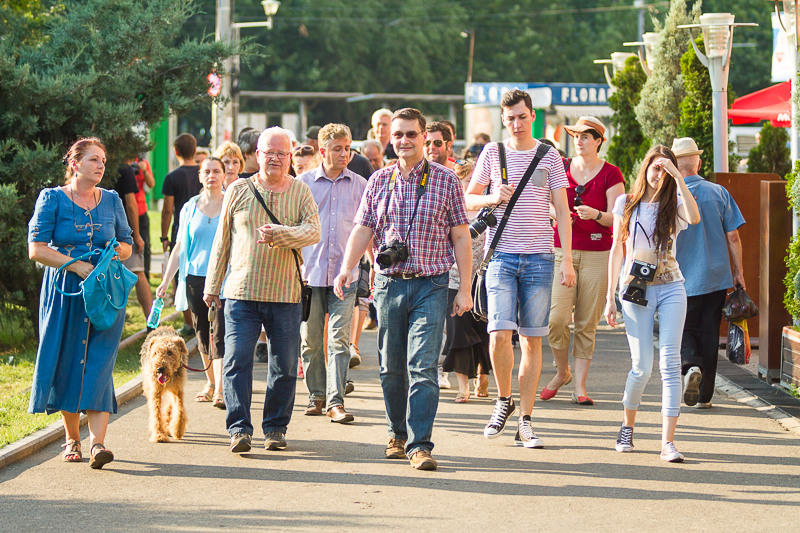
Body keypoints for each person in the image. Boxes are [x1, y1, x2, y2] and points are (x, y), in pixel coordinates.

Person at [334, 107, 472, 471]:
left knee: (422, 366)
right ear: (390, 139)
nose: (404, 140)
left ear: (424, 137)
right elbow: (363, 228)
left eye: (411, 134)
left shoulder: (446, 180)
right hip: (389, 285)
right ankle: (396, 434)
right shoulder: (379, 180)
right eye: (398, 135)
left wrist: (465, 288)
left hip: (431, 284)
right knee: (391, 367)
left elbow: (461, 236)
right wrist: (347, 269)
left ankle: (420, 444)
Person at [465, 89, 576, 448]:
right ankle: (503, 400)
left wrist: (567, 260)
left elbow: (563, 212)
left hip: (540, 258)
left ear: (532, 116)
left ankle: (525, 420)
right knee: (498, 333)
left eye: (522, 116)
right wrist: (492, 196)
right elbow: (467, 199)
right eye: (510, 118)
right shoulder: (492, 152)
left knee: (531, 338)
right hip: (500, 256)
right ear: (503, 119)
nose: (516, 123)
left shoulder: (549, 155)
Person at [204, 127, 320, 454]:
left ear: (290, 156)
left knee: (284, 366)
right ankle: (239, 429)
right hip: (241, 292)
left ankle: (275, 428)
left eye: (282, 153)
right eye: (269, 152)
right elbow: (222, 240)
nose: (275, 158)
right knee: (236, 360)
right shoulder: (238, 189)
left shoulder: (300, 191)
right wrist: (212, 286)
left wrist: (280, 234)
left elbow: (314, 231)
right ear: (258, 155)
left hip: (285, 295)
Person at [27, 137, 133, 469]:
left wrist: (110, 255)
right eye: (93, 160)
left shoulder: (112, 199)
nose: (101, 165)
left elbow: (127, 245)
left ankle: (98, 443)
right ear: (74, 163)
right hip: (65, 291)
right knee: (69, 361)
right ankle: (72, 438)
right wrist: (75, 265)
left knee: (99, 363)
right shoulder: (52, 198)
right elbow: (36, 249)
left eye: (103, 161)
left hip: (104, 292)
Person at [604, 145, 700, 463]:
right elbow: (617, 250)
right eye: (656, 167)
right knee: (642, 367)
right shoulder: (626, 203)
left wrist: (678, 177)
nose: (660, 174)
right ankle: (627, 427)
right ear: (645, 168)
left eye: (666, 169)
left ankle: (667, 442)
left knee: (670, 364)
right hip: (636, 287)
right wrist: (610, 297)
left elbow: (695, 218)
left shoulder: (675, 204)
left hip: (671, 286)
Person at [542, 116, 625, 405]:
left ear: (599, 141)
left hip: (597, 252)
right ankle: (562, 371)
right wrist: (558, 213)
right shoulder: (562, 166)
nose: (579, 141)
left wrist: (597, 215)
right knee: (556, 319)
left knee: (586, 323)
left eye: (585, 136)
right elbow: (545, 202)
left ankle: (579, 387)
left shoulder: (611, 174)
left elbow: (618, 217)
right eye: (576, 136)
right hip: (561, 250)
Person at [297, 123, 368, 423]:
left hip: (345, 275)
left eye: (347, 148)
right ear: (322, 149)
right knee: (311, 341)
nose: (344, 154)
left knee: (338, 341)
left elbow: (368, 228)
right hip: (309, 276)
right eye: (337, 148)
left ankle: (335, 402)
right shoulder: (303, 184)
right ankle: (317, 395)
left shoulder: (360, 184)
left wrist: (373, 264)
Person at [672, 137, 745, 409]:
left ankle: (691, 365)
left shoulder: (670, 195)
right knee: (710, 333)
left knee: (683, 328)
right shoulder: (719, 192)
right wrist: (738, 272)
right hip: (716, 278)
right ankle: (705, 396)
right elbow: (733, 236)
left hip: (680, 277)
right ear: (699, 163)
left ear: (674, 166)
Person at [157, 157, 226, 408]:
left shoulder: (231, 203)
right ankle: (210, 383)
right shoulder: (190, 207)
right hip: (195, 278)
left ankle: (221, 389)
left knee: (221, 332)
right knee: (202, 332)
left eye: (216, 171)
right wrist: (166, 281)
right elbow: (180, 247)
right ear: (200, 176)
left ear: (224, 175)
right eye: (206, 171)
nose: (211, 176)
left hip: (225, 278)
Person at [441, 158, 491, 402]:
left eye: (477, 181)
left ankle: (482, 374)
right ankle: (463, 386)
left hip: (483, 278)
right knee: (458, 331)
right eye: (469, 180)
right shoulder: (447, 210)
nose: (474, 186)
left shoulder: (489, 210)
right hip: (453, 278)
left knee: (484, 330)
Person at [161, 133, 202, 335]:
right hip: (202, 227)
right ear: (195, 150)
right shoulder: (203, 172)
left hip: (181, 229)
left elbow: (167, 209)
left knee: (181, 276)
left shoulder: (172, 177)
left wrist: (164, 236)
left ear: (176, 151)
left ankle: (188, 323)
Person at [114, 163, 153, 317]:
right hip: (124, 229)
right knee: (137, 272)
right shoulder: (124, 168)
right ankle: (152, 322)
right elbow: (131, 204)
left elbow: (151, 183)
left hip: (103, 228)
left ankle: (150, 321)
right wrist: (136, 234)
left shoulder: (94, 165)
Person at [131, 156, 155, 278]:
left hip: (141, 209)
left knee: (145, 245)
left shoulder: (142, 162)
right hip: (125, 210)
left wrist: (144, 171)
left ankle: (145, 276)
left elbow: (151, 184)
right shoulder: (121, 161)